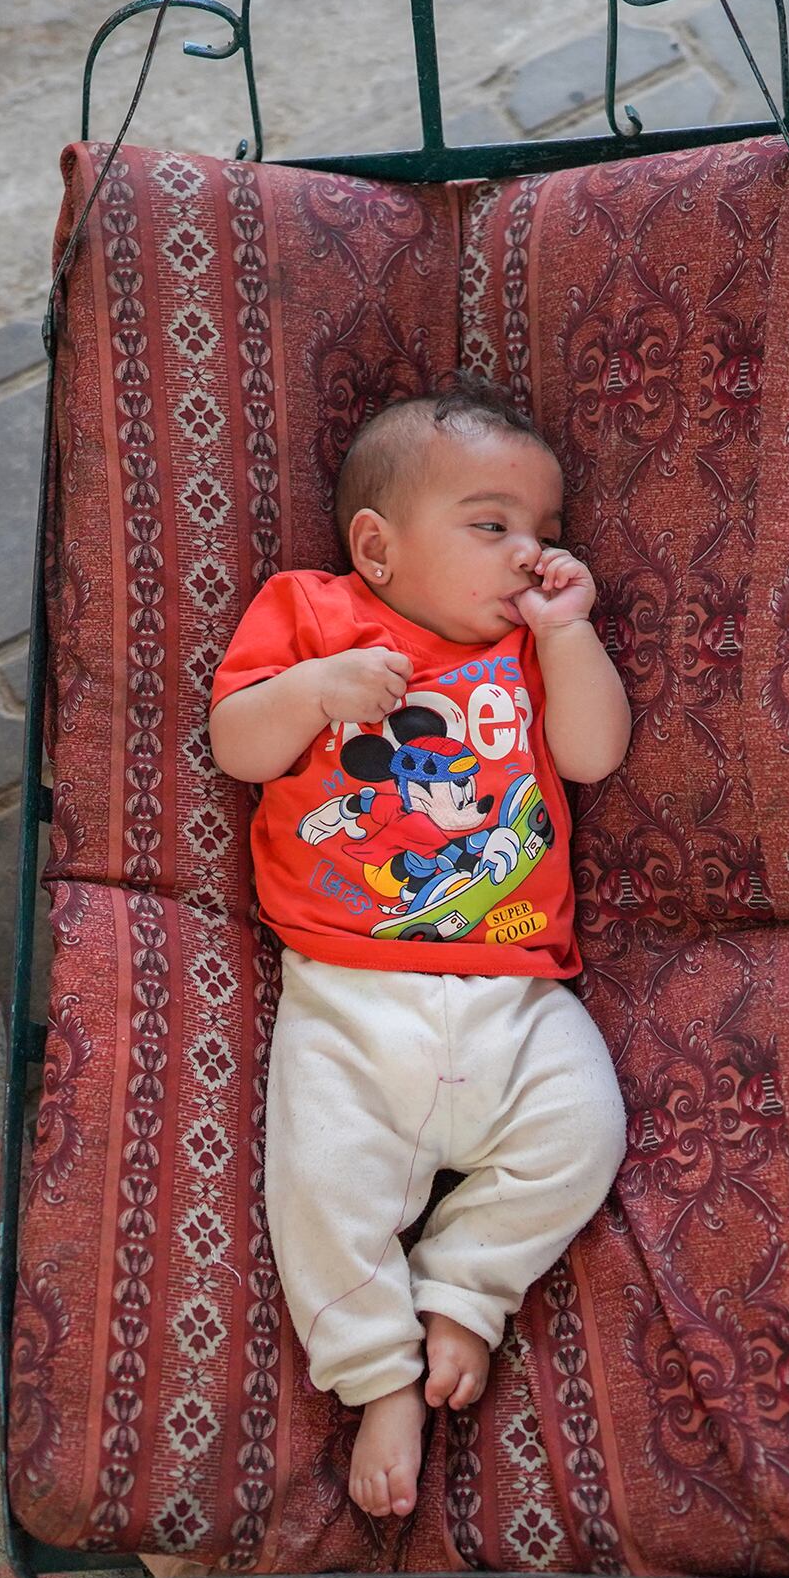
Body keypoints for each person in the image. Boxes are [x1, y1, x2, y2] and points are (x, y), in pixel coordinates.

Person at [208, 385, 631, 1520]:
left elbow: (590, 756)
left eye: (541, 531)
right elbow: (239, 748)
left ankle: (463, 1288)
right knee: (318, 1186)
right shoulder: (311, 610)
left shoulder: (530, 650)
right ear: (377, 548)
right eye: (492, 524)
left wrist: (571, 632)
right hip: (351, 995)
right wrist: (312, 689)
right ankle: (379, 1373)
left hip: (515, 989)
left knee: (585, 1129)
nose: (527, 553)